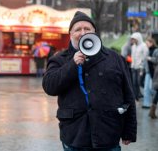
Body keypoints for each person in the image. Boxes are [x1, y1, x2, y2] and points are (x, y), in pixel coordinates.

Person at [42, 11, 137, 151]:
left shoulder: (114, 58)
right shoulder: (60, 59)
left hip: (108, 132)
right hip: (75, 134)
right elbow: (49, 87)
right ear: (70, 34)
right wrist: (72, 65)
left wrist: (129, 131)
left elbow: (128, 94)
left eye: (87, 29)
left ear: (94, 32)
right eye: (77, 29)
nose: (83, 33)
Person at [130, 32, 148, 101]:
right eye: (132, 39)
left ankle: (140, 95)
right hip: (134, 67)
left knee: (139, 82)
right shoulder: (133, 46)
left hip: (140, 68)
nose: (133, 41)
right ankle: (135, 97)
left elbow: (145, 56)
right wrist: (132, 65)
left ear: (138, 39)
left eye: (134, 39)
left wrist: (142, 66)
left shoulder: (143, 46)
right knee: (134, 83)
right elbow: (132, 56)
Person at [143, 38, 157, 108]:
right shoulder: (147, 50)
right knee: (146, 88)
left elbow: (156, 60)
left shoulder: (155, 50)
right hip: (148, 72)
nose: (146, 44)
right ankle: (146, 104)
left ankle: (154, 103)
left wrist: (150, 58)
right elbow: (144, 61)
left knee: (152, 89)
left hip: (154, 73)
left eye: (147, 43)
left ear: (151, 43)